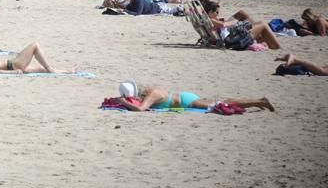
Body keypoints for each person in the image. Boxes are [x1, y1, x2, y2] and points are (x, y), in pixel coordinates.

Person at [114, 81, 274, 112]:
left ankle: (259, 102)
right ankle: (256, 102)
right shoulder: (150, 91)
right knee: (221, 101)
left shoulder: (152, 94)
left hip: (187, 101)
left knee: (221, 104)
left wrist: (122, 102)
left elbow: (141, 109)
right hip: (185, 98)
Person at [195, 0, 281, 49]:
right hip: (233, 40)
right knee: (262, 24)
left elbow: (220, 25)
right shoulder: (209, 19)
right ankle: (276, 46)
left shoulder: (204, 17)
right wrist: (236, 23)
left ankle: (259, 37)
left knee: (242, 13)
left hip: (228, 36)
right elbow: (223, 25)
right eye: (216, 12)